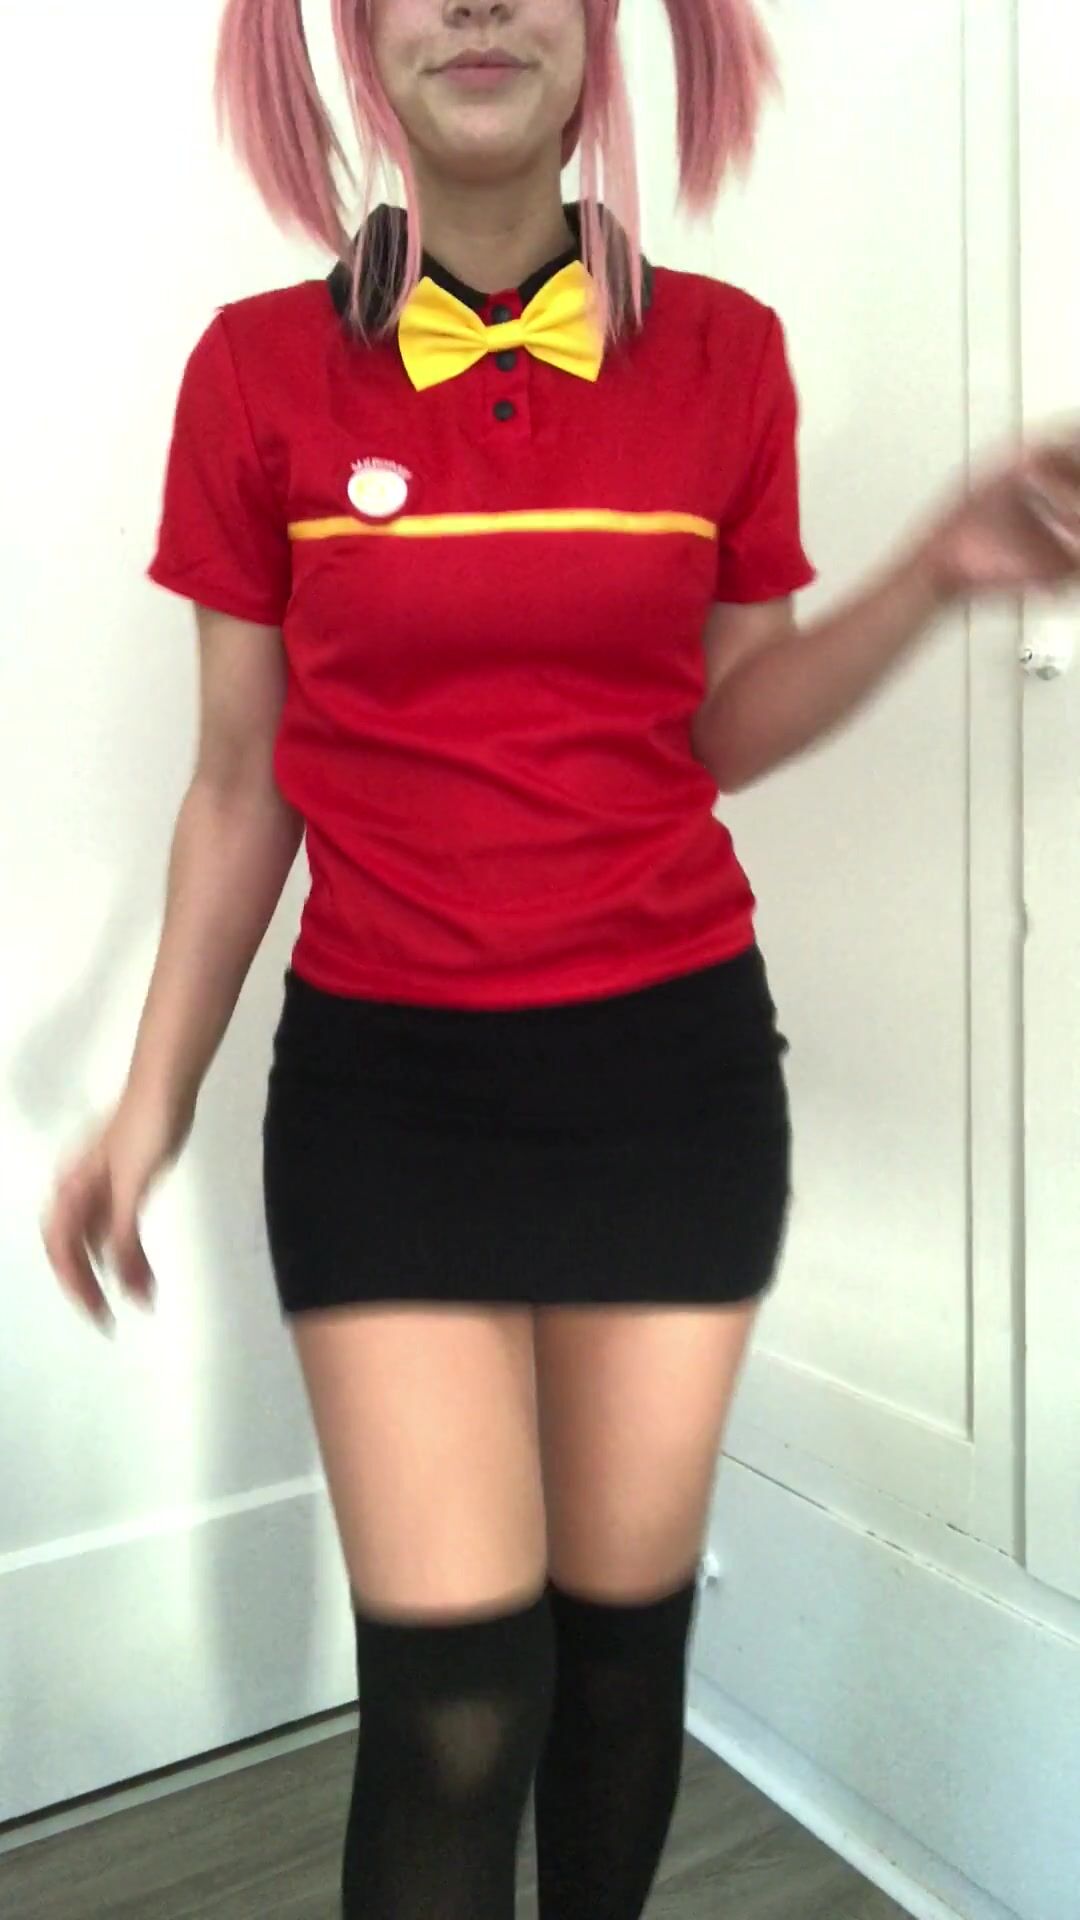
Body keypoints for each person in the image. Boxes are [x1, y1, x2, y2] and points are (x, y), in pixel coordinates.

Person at [41, 2, 1080, 1916]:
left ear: (604, 27)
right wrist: (147, 1101)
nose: (478, 3)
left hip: (671, 1082)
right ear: (355, 34)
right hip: (387, 1097)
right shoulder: (257, 372)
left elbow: (728, 723)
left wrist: (935, 571)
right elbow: (240, 784)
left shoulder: (727, 353)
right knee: (456, 1709)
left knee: (618, 1666)